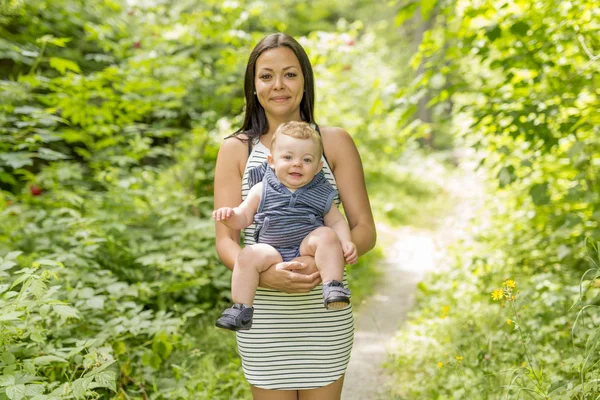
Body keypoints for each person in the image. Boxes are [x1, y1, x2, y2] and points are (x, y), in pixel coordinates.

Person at [213, 32, 376, 400]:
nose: (278, 86)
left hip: (324, 311)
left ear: (305, 79)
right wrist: (268, 277)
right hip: (264, 316)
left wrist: (325, 258)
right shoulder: (235, 150)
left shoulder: (334, 142)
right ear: (253, 85)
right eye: (266, 76)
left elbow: (364, 229)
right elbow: (226, 240)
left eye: (289, 74)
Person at [213, 121, 357, 331]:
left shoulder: (321, 191)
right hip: (271, 250)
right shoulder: (262, 188)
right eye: (288, 157)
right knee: (247, 255)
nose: (297, 164)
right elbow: (243, 216)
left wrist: (346, 242)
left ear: (318, 167)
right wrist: (230, 216)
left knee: (326, 234)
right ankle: (241, 308)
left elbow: (336, 221)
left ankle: (333, 287)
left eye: (307, 160)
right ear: (271, 161)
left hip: (305, 247)